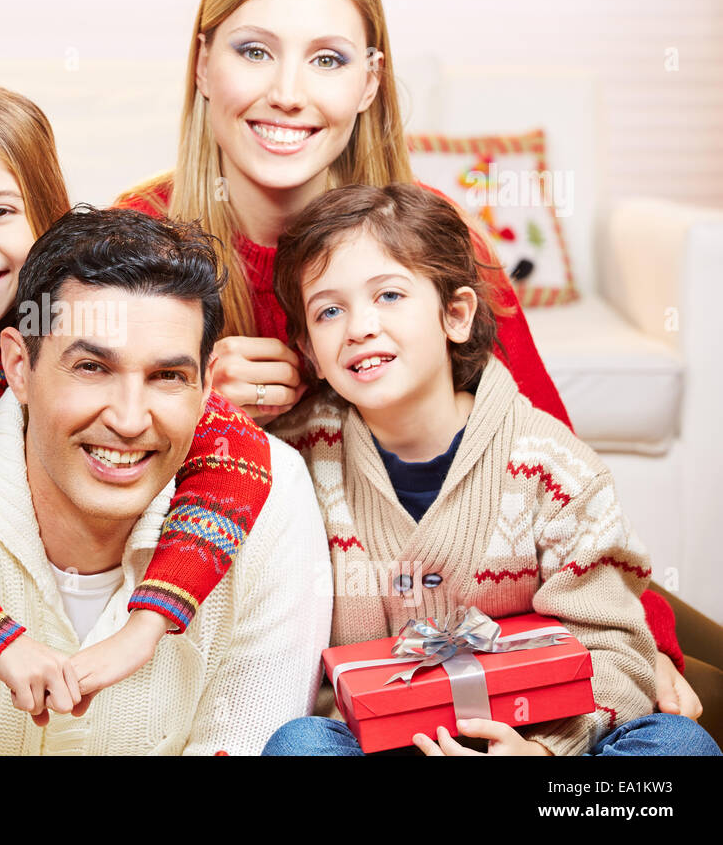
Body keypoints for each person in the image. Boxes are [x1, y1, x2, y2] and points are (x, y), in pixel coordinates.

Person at [113, 0, 694, 708]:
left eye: (327, 59)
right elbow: (61, 479)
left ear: (370, 81)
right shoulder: (131, 245)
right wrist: (186, 407)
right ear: (202, 64)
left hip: (461, 645)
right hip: (237, 642)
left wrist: (647, 639)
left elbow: (547, 447)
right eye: (254, 51)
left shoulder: (440, 242)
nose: (288, 90)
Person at [0, 207, 332, 754]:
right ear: (19, 367)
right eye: (92, 368)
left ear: (208, 383)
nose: (129, 418)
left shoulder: (273, 495)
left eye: (168, 376)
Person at [260, 183, 719, 755]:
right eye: (330, 310)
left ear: (455, 314)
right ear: (309, 349)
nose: (359, 327)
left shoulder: (553, 467)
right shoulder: (296, 457)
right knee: (299, 744)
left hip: (537, 739)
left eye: (390, 296)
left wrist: (547, 750)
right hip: (381, 742)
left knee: (679, 745)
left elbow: (615, 650)